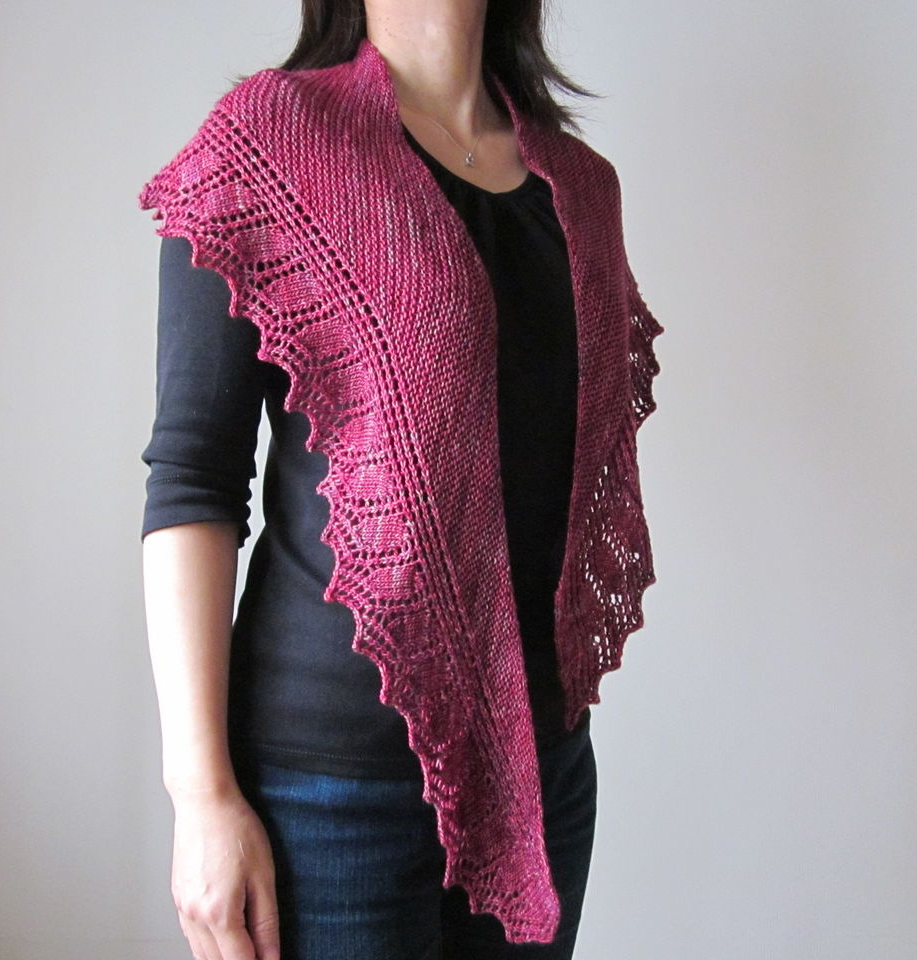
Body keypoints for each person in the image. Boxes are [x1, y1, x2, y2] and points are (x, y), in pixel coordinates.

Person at [138, 2, 664, 958]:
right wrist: (201, 794)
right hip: (330, 791)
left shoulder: (584, 188)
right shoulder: (270, 145)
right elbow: (194, 479)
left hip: (544, 774)